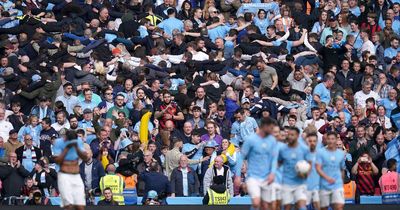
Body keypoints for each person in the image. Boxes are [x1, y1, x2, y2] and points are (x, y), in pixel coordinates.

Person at [235, 117, 278, 210]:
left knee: (266, 206)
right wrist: (237, 176)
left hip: (267, 177)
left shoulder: (272, 140)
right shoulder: (251, 140)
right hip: (253, 177)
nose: (272, 130)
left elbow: (274, 158)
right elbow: (241, 157)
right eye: (270, 128)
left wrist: (273, 173)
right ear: (264, 126)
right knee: (256, 202)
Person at [53, 130, 88, 210]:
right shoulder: (58, 142)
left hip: (76, 175)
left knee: (80, 206)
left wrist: (76, 147)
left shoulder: (78, 141)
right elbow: (57, 161)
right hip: (64, 175)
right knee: (68, 206)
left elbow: (85, 158)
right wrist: (67, 147)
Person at [278, 126, 310, 210]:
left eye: (292, 135)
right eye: (289, 134)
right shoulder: (283, 149)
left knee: (302, 206)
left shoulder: (304, 149)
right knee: (287, 207)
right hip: (286, 183)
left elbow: (310, 165)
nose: (290, 137)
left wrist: (305, 174)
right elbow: (278, 164)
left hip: (301, 183)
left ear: (297, 136)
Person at [315, 132, 346, 210]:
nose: (330, 141)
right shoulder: (320, 152)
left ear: (336, 140)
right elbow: (318, 168)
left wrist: (341, 183)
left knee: (339, 207)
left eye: (332, 139)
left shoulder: (341, 154)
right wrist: (327, 178)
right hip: (324, 185)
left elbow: (342, 170)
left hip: (337, 185)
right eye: (328, 139)